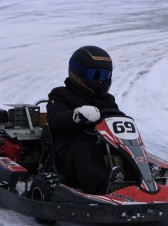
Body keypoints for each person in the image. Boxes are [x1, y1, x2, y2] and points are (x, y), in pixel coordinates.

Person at [47, 46, 120, 195]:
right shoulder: (60, 95)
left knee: (127, 150)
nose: (101, 81)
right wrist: (77, 114)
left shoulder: (108, 100)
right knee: (84, 148)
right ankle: (104, 190)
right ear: (78, 75)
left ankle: (146, 183)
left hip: (102, 145)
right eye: (96, 75)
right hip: (68, 152)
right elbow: (55, 120)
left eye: (105, 76)